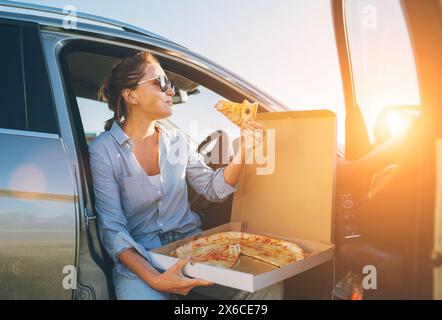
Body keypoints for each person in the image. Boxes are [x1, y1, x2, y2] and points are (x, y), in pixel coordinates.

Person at [89, 51, 283, 300]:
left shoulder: (177, 141)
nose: (170, 91)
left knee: (267, 285)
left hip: (193, 248)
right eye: (160, 83)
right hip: (142, 258)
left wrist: (244, 151)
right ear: (131, 95)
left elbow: (214, 189)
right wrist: (156, 279)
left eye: (169, 84)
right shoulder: (102, 150)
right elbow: (112, 230)